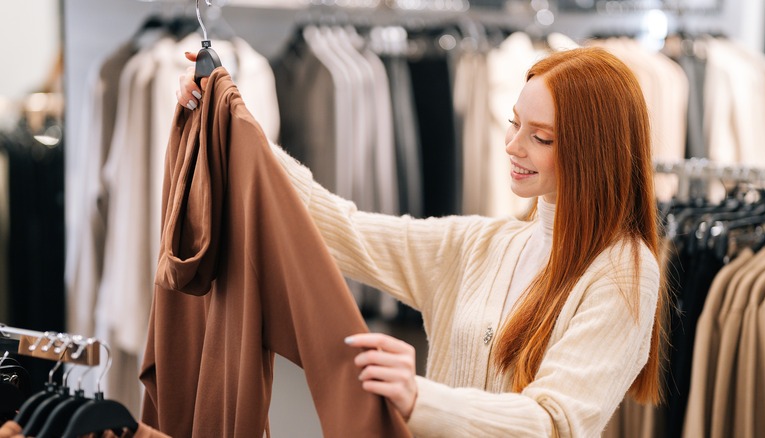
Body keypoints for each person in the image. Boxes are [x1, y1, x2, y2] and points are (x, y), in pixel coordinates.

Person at [176, 46, 666, 437]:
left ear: (593, 150)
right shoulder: (482, 245)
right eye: (515, 123)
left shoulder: (624, 272)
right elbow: (344, 229)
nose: (512, 146)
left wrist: (419, 397)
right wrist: (232, 127)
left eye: (541, 137)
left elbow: (554, 424)